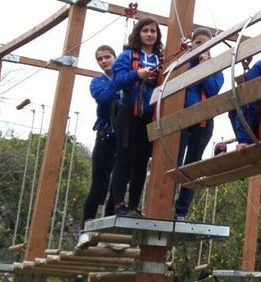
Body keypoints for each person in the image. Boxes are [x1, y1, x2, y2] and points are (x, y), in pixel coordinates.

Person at [109, 18, 164, 214]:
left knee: (142, 161)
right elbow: (117, 83)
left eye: (153, 31)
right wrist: (136, 75)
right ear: (138, 34)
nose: (150, 34)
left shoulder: (161, 60)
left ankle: (134, 205)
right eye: (145, 30)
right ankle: (118, 204)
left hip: (149, 116)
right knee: (124, 158)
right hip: (129, 113)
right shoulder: (126, 56)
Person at [173, 27, 224, 220]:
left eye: (206, 43)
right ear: (192, 44)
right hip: (182, 120)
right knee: (174, 163)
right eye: (198, 43)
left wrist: (205, 68)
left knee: (192, 166)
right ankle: (164, 203)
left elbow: (212, 90)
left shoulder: (216, 67)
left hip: (203, 122)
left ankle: (181, 210)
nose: (202, 47)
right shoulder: (183, 64)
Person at [81, 45, 119, 223]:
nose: (104, 61)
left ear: (115, 57)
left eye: (107, 57)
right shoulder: (97, 82)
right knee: (99, 184)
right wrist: (119, 81)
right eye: (100, 59)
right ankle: (85, 226)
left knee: (118, 185)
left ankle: (110, 223)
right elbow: (104, 98)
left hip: (124, 136)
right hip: (106, 135)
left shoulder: (125, 77)